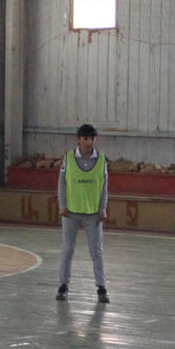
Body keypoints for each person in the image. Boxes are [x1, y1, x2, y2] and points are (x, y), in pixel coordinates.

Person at [56, 123, 109, 303]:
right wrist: (62, 204)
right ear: (79, 139)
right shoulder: (69, 158)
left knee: (96, 252)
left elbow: (104, 186)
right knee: (67, 250)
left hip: (93, 213)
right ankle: (63, 286)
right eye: (85, 138)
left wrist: (103, 208)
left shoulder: (101, 160)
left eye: (92, 138)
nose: (89, 142)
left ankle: (101, 288)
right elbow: (61, 183)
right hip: (71, 212)